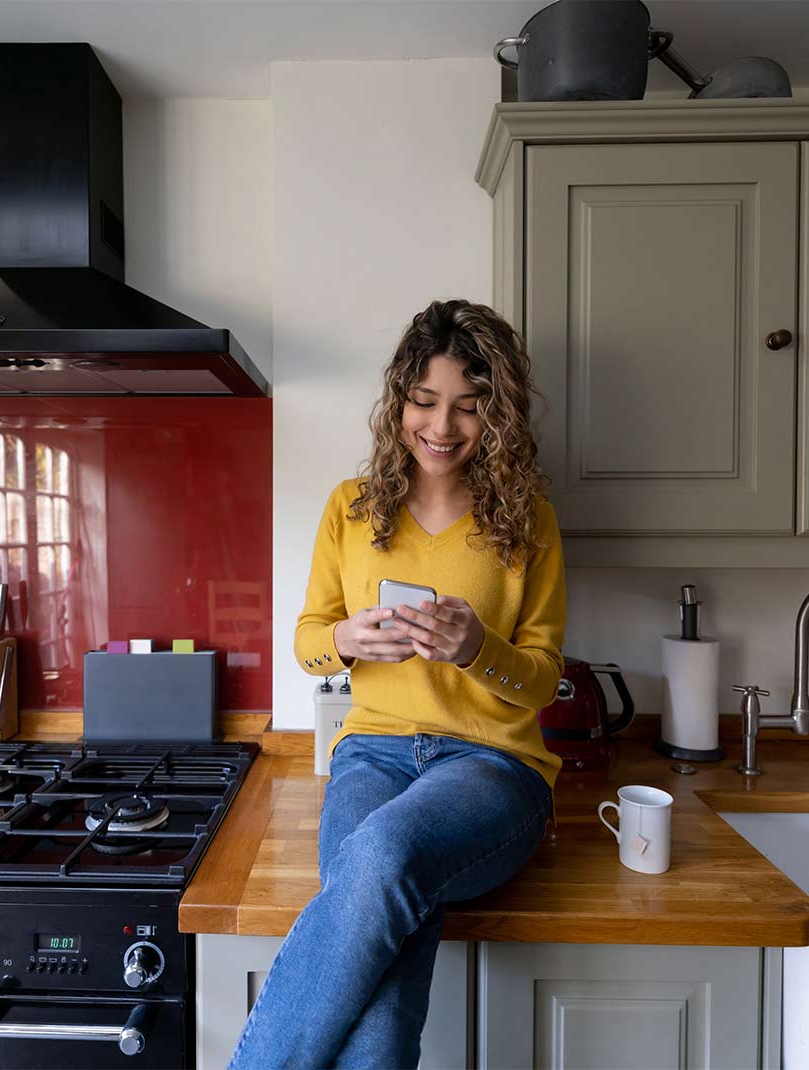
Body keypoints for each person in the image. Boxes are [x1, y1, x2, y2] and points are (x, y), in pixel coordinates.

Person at [228, 299, 567, 1069]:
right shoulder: (351, 510)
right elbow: (309, 645)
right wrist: (348, 640)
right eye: (424, 401)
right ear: (398, 402)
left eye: (469, 408)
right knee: (387, 940)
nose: (442, 427)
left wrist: (479, 648)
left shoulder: (529, 521)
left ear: (499, 417)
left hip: (492, 767)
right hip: (372, 754)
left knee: (377, 856)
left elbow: (542, 683)